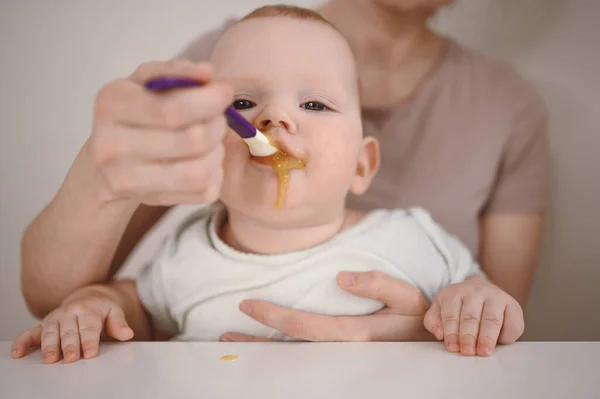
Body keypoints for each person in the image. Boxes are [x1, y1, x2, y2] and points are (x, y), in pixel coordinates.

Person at [19, 0, 547, 356]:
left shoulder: (414, 239)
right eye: (244, 104)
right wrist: (96, 305)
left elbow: (490, 312)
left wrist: (471, 309)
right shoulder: (185, 254)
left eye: (314, 103)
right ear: (200, 148)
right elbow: (135, 308)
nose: (274, 119)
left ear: (363, 165)